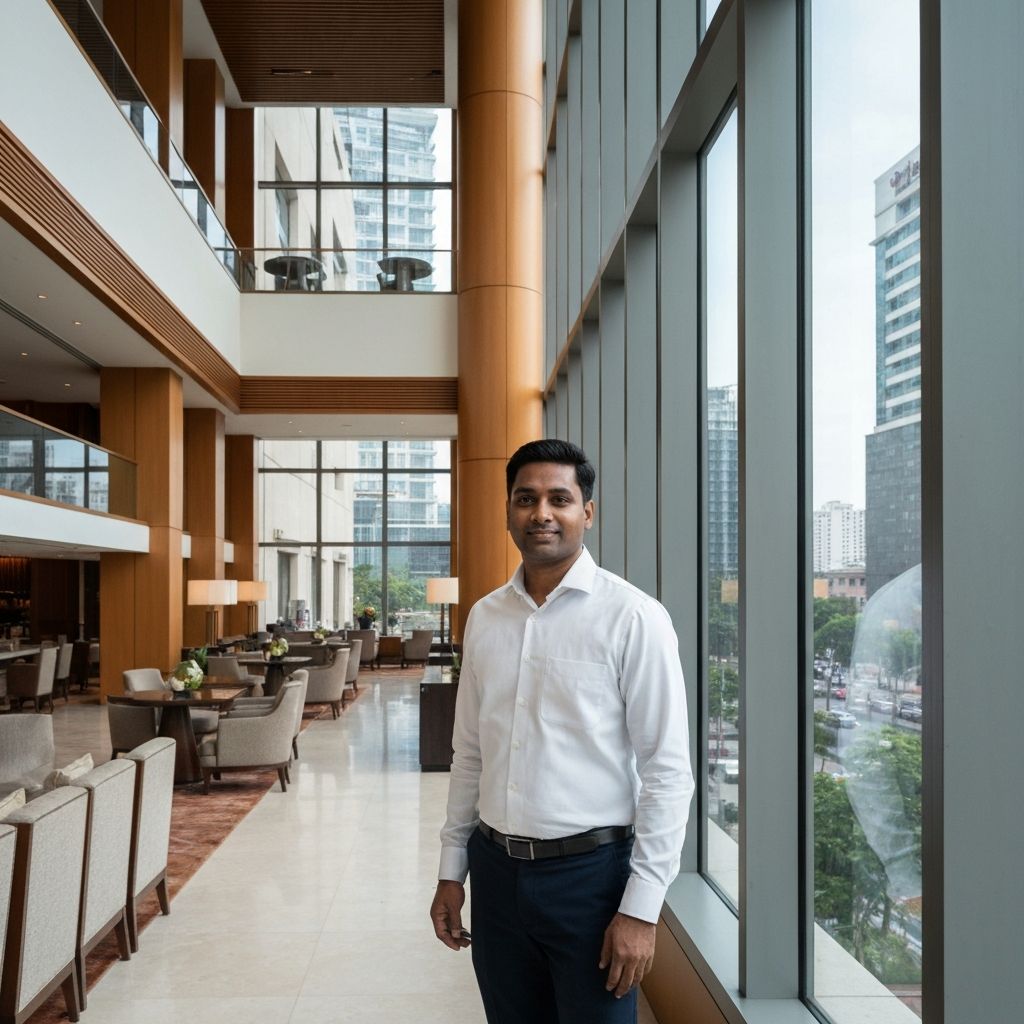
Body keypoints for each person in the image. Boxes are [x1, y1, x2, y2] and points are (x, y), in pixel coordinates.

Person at [430, 439, 694, 1023]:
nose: (541, 513)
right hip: (496, 875)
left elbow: (668, 773)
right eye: (526, 499)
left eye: (559, 498)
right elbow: (469, 754)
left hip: (592, 883)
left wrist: (641, 910)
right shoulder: (485, 616)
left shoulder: (634, 618)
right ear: (508, 510)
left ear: (587, 512)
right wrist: (453, 871)